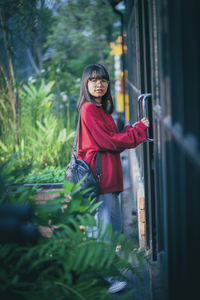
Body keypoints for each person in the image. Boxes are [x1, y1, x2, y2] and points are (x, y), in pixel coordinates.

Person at [76, 64, 150, 293]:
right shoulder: (88, 109)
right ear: (86, 85)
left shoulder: (102, 109)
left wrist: (131, 131)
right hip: (100, 178)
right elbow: (108, 142)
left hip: (109, 176)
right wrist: (137, 131)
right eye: (94, 80)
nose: (99, 84)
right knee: (104, 229)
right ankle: (104, 279)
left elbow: (114, 137)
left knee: (111, 228)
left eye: (103, 80)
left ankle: (107, 273)